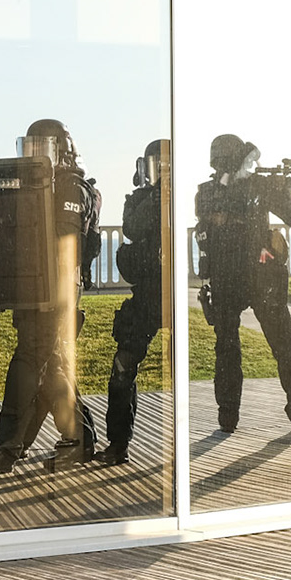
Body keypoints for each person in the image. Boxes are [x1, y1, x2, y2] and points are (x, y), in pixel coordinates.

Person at [0, 118, 100, 474]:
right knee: (51, 368)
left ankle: (5, 448)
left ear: (62, 151)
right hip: (32, 288)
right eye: (29, 149)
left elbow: (57, 239)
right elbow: (11, 231)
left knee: (28, 361)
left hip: (57, 292)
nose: (34, 157)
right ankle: (79, 440)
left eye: (41, 150)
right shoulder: (34, 186)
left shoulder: (74, 189)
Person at [195, 134, 291, 432]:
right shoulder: (257, 187)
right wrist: (283, 191)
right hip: (261, 276)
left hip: (225, 279)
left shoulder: (205, 193)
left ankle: (227, 416)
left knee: (227, 347)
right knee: (284, 342)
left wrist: (278, 187)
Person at [98, 139, 168, 467]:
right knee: (123, 366)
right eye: (157, 166)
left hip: (174, 293)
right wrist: (154, 196)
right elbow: (133, 227)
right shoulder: (139, 200)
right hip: (145, 294)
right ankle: (117, 443)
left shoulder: (184, 197)